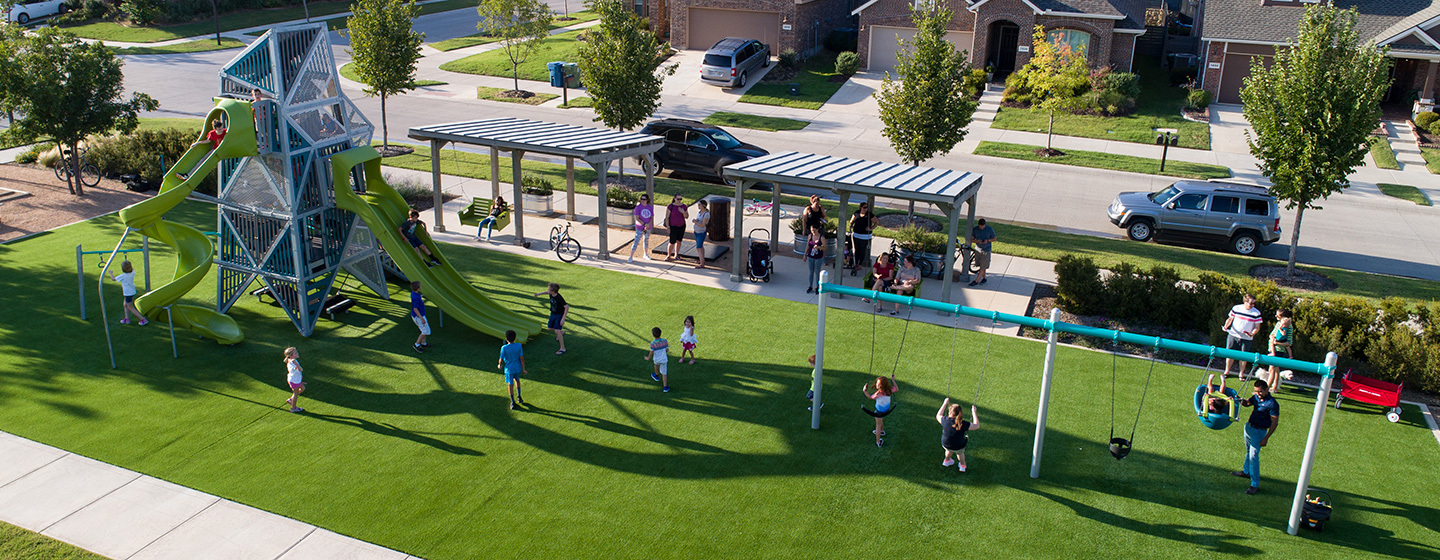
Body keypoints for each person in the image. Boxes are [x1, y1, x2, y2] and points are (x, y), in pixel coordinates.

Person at [1232, 379, 1279, 494]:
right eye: (1256, 391)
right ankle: (1246, 471)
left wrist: (1266, 438)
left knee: (1253, 456)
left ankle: (1255, 484)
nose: (1258, 394)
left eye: (1260, 391)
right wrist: (1238, 398)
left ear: (1267, 390)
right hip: (1249, 427)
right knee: (1248, 451)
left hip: (1259, 432)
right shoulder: (1256, 397)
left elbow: (1275, 423)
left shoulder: (1272, 404)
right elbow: (1247, 403)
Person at [1221, 294, 1263, 378]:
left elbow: (1257, 327)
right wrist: (1226, 326)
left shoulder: (1256, 313)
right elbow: (1230, 319)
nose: (1252, 305)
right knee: (1230, 354)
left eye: (1254, 304)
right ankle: (1227, 371)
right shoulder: (1236, 308)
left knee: (1244, 356)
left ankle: (1241, 374)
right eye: (1251, 303)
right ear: (1245, 301)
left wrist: (1252, 333)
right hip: (1233, 334)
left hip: (1247, 338)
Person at [936, 398, 978, 472]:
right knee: (960, 453)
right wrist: (974, 412)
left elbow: (938, 415)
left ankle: (947, 460)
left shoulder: (945, 420)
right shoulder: (963, 424)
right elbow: (976, 426)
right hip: (958, 445)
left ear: (950, 412)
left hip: (946, 443)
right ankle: (962, 465)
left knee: (948, 450)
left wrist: (944, 403)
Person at [862, 374, 898, 447]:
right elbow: (897, 389)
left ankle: (878, 441)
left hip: (879, 412)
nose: (876, 385)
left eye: (878, 384)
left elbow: (870, 397)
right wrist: (893, 380)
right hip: (886, 411)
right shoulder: (889, 390)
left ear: (881, 386)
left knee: (878, 425)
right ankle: (882, 431)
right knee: (880, 421)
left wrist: (865, 391)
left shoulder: (878, 394)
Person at [533, 282, 569, 355]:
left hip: (559, 315)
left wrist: (563, 318)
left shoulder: (559, 297)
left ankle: (562, 348)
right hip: (553, 313)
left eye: (549, 289)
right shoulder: (551, 294)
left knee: (556, 331)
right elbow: (546, 292)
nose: (547, 290)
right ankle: (561, 332)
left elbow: (566, 307)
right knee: (549, 328)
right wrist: (539, 294)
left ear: (553, 291)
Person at [497, 329, 527, 410]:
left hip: (509, 370)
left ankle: (513, 402)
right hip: (517, 368)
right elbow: (522, 359)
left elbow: (501, 358)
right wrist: (524, 369)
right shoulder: (519, 346)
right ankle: (519, 396)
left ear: (506, 339)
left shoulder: (504, 348)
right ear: (515, 338)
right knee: (517, 380)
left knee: (510, 384)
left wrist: (499, 364)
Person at [111, 260, 148, 326]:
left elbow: (113, 279)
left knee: (130, 307)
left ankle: (143, 319)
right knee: (125, 305)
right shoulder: (132, 273)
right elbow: (131, 268)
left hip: (128, 293)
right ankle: (127, 318)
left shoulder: (123, 276)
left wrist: (111, 273)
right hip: (131, 291)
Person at [1265, 309, 1294, 387]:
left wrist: (1277, 343)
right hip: (1273, 348)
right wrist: (1272, 338)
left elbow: (1289, 343)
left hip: (1279, 350)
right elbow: (1272, 334)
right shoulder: (1278, 324)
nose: (1276, 316)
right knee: (1275, 369)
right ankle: (1275, 387)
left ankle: (1267, 388)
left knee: (1272, 369)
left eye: (1278, 315)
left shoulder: (1288, 326)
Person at [968, 218, 997, 287]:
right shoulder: (975, 229)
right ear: (978, 225)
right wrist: (977, 241)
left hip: (986, 250)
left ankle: (976, 280)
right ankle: (984, 278)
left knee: (983, 267)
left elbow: (994, 238)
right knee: (981, 265)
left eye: (983, 226)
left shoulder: (989, 229)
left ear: (985, 224)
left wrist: (987, 241)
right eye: (981, 226)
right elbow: (972, 239)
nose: (982, 228)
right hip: (978, 249)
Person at [628, 193, 655, 263]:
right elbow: (637, 218)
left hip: (648, 227)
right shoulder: (638, 208)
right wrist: (644, 224)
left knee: (646, 240)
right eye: (641, 199)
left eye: (644, 199)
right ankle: (631, 256)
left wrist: (649, 224)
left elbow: (651, 217)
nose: (642, 201)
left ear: (647, 200)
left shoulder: (650, 207)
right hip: (640, 227)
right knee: (636, 241)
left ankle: (645, 254)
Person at [645, 327, 670, 393]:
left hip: (657, 359)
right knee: (664, 373)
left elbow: (651, 352)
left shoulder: (652, 343)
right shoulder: (665, 341)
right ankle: (665, 387)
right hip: (664, 359)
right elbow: (667, 350)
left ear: (653, 335)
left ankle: (656, 375)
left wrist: (648, 357)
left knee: (656, 365)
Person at [849, 202, 874, 270]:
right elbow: (852, 219)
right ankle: (856, 263)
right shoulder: (857, 213)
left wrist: (871, 228)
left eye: (866, 207)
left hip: (865, 236)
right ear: (860, 207)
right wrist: (851, 224)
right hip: (856, 234)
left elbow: (876, 222)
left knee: (862, 250)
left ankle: (860, 264)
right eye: (864, 207)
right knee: (857, 249)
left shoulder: (869, 215)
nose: (865, 209)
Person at [665, 195, 689, 261]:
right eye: (678, 199)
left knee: (679, 241)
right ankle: (669, 255)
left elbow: (686, 216)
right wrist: (668, 227)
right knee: (672, 242)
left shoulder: (684, 206)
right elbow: (667, 217)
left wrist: (683, 212)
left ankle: (676, 254)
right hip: (673, 226)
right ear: (674, 199)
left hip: (681, 226)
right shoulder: (671, 206)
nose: (679, 200)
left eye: (680, 199)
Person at [805, 225, 826, 294]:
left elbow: (825, 248)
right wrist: (805, 255)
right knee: (811, 272)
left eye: (814, 230)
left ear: (817, 229)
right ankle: (810, 286)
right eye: (812, 230)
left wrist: (819, 247)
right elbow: (808, 245)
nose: (813, 232)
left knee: (817, 273)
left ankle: (817, 287)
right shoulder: (810, 236)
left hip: (818, 258)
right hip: (810, 256)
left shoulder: (821, 238)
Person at [283, 347, 305, 413]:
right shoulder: (292, 363)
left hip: (296, 380)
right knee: (296, 393)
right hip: (294, 381)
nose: (297, 353)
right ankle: (293, 408)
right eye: (295, 353)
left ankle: (291, 400)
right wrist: (296, 363)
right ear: (291, 356)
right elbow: (301, 369)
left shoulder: (293, 360)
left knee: (302, 388)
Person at [409, 281, 429, 354]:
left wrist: (420, 297)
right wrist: (421, 318)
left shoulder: (414, 294)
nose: (421, 287)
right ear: (418, 288)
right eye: (420, 286)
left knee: (424, 329)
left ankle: (424, 343)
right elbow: (415, 309)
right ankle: (416, 344)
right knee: (426, 331)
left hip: (419, 315)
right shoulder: (416, 298)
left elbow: (416, 299)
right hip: (418, 316)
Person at [692, 200, 710, 269]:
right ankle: (701, 260)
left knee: (698, 247)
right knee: (700, 247)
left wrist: (695, 222)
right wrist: (696, 221)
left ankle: (702, 264)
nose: (698, 206)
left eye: (699, 205)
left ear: (703, 205)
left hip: (701, 232)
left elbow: (703, 225)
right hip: (697, 232)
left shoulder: (706, 214)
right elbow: (699, 220)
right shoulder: (699, 212)